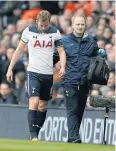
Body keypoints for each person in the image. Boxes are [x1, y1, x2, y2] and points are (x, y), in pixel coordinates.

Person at [6, 10, 66, 140]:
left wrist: (63, 66)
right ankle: (33, 135)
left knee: (43, 105)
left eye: (46, 25)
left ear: (49, 22)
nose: (44, 28)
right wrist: (10, 68)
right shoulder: (29, 31)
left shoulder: (55, 32)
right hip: (33, 71)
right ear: (37, 22)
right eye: (41, 25)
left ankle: (35, 133)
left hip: (48, 73)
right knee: (34, 101)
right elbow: (19, 50)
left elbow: (61, 52)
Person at [54, 14, 106, 143]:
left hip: (84, 82)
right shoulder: (64, 41)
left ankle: (72, 137)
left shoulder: (91, 42)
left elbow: (98, 55)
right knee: (72, 109)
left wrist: (101, 52)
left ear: (85, 26)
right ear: (72, 26)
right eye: (77, 24)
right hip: (69, 81)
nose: (80, 26)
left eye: (82, 24)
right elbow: (54, 57)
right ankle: (74, 137)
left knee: (80, 110)